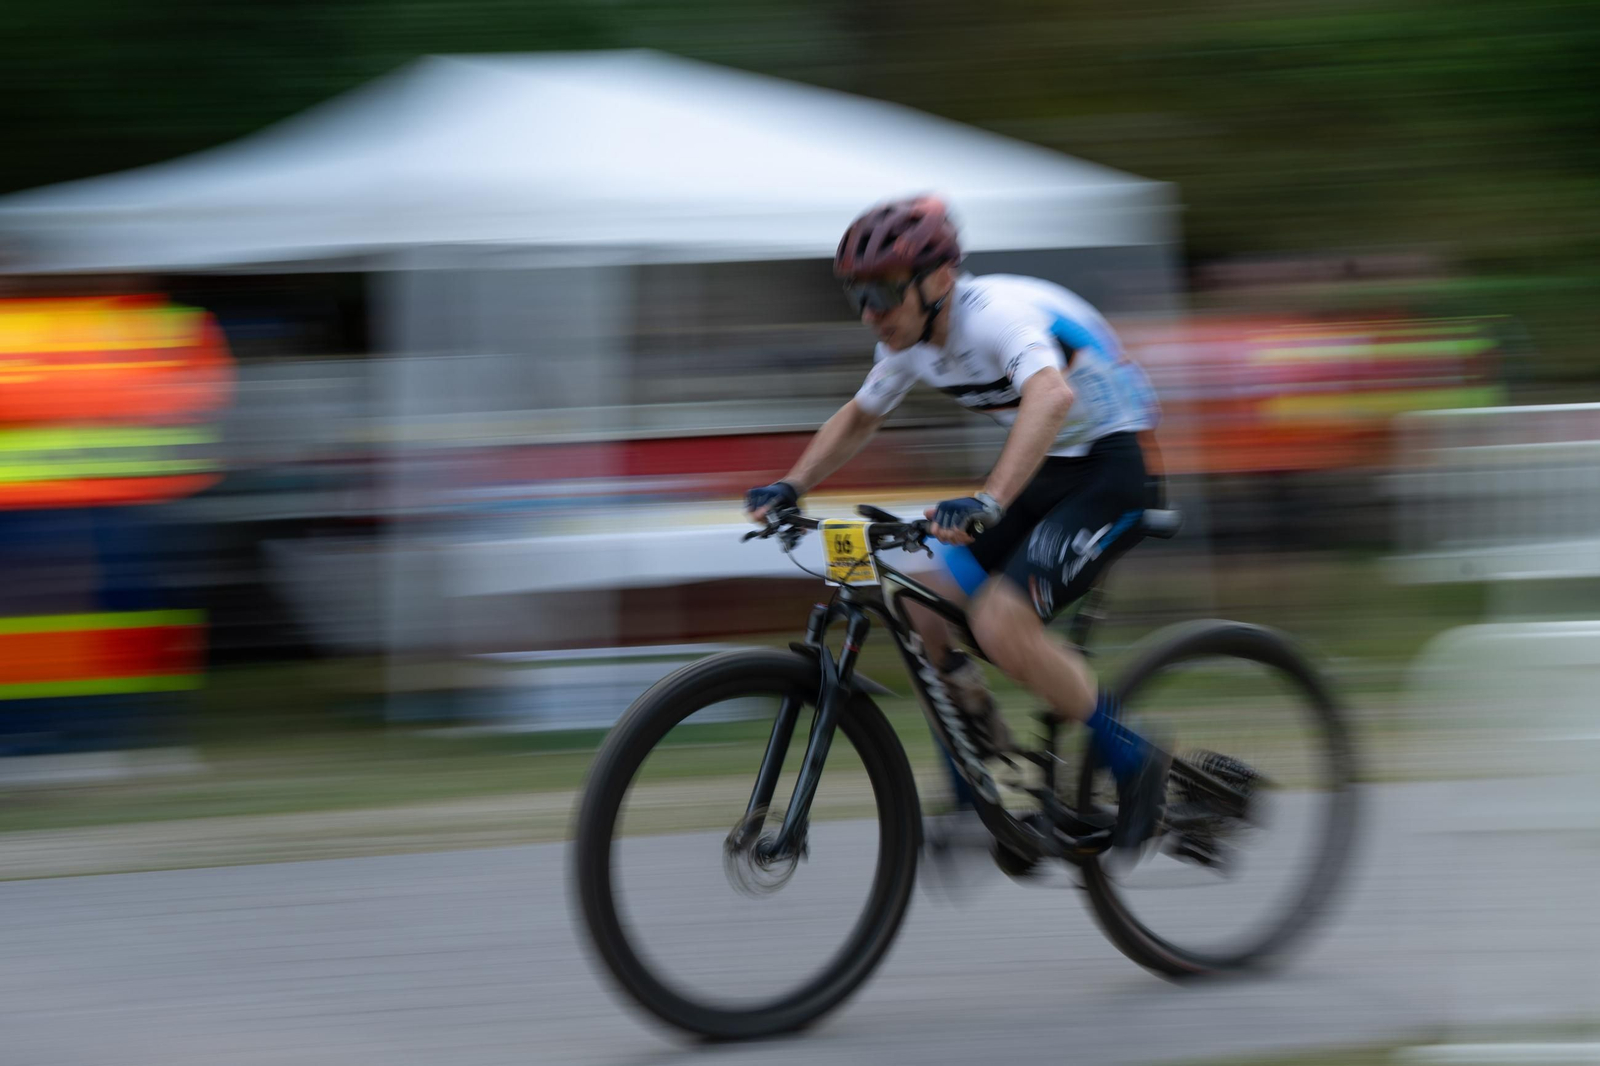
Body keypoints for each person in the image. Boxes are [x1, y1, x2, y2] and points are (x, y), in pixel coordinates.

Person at [744, 195, 1168, 854]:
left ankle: (1138, 761)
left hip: (1112, 467)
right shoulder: (910, 339)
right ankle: (979, 790)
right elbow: (860, 416)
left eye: (883, 292)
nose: (870, 313)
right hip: (1051, 465)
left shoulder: (996, 317)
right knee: (925, 607)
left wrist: (990, 497)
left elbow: (1051, 395)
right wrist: (792, 484)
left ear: (939, 281)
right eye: (858, 294)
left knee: (1002, 623)